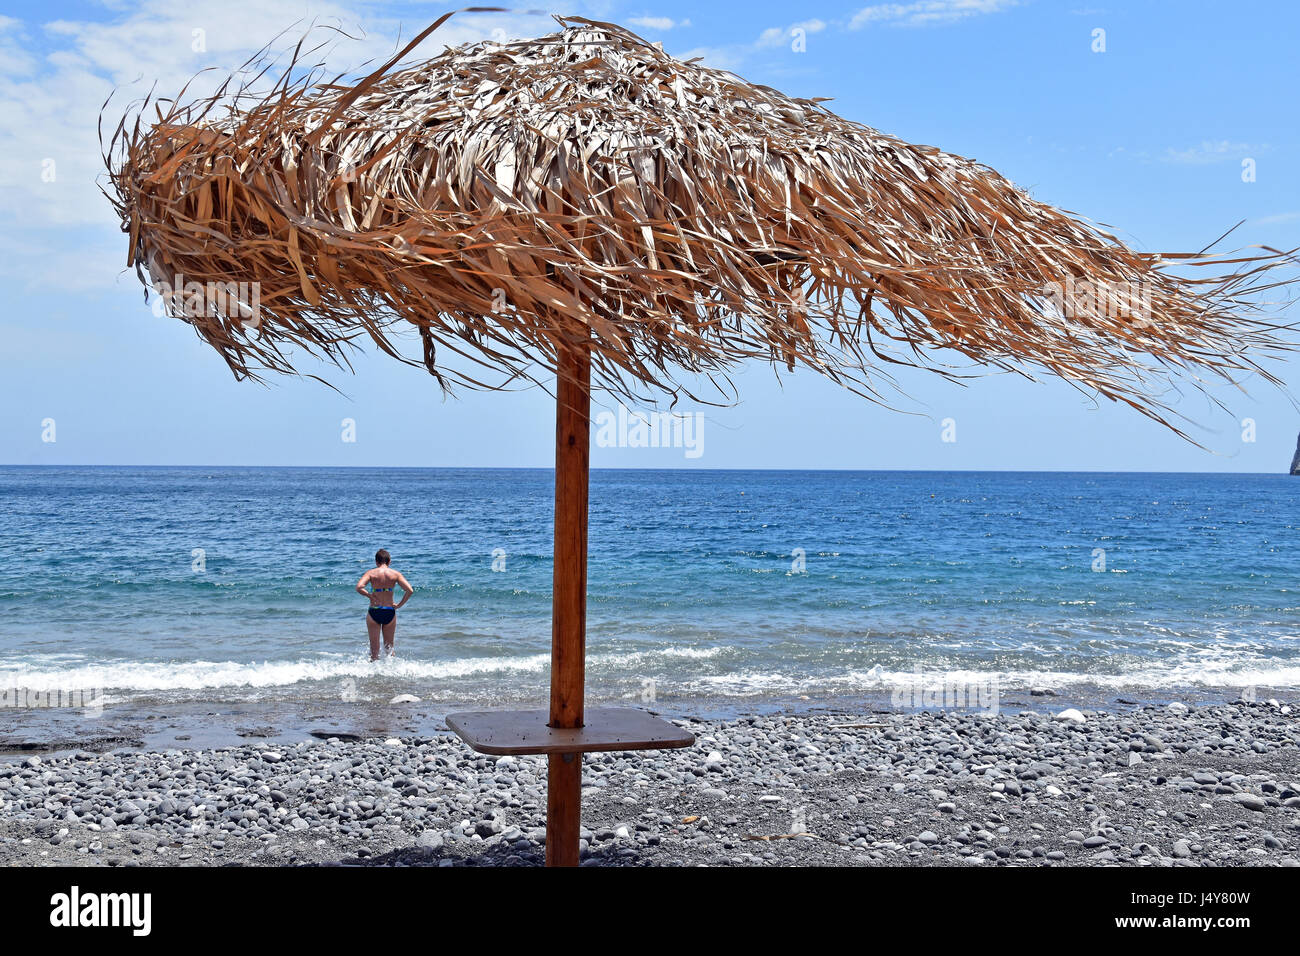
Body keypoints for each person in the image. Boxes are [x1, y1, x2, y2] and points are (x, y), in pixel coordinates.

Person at [355, 549, 414, 660]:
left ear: (376, 562)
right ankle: (391, 674)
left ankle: (373, 675)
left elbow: (359, 587)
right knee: (389, 649)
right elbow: (409, 590)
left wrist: (370, 596)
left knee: (374, 651)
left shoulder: (371, 573)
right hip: (389, 611)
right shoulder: (395, 574)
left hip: (374, 611)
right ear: (389, 561)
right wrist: (399, 605)